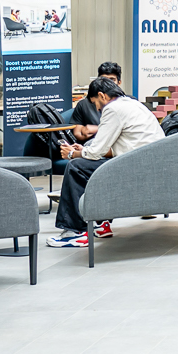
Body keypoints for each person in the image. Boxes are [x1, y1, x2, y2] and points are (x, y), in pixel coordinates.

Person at [45, 77, 162, 249]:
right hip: (148, 165)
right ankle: (101, 222)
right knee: (90, 163)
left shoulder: (113, 109)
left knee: (76, 167)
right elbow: (126, 146)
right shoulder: (134, 104)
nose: (98, 109)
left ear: (102, 95)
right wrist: (84, 150)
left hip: (135, 168)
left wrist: (72, 154)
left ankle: (75, 233)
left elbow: (95, 153)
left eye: (95, 103)